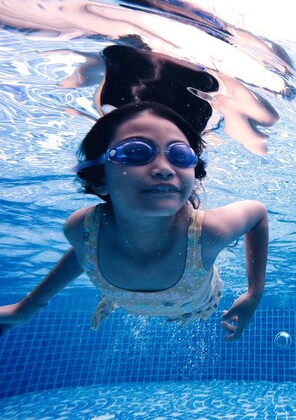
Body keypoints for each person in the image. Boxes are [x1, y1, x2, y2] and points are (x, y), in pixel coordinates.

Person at [0, 101, 268, 341]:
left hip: (197, 306)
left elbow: (257, 213)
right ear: (99, 178)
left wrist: (254, 293)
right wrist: (27, 308)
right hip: (129, 298)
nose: (164, 168)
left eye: (180, 155)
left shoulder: (208, 233)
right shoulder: (83, 229)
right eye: (135, 152)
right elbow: (86, 252)